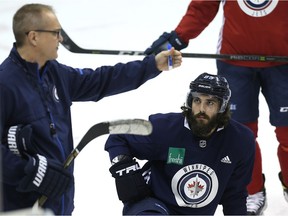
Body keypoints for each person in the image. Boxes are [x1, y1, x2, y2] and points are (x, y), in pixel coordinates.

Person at [0, 3, 182, 215]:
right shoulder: (5, 84)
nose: (60, 39)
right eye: (56, 33)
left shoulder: (54, 74)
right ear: (33, 37)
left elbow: (100, 80)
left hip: (59, 203)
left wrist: (151, 66)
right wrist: (30, 171)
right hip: (23, 206)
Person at [143, 1, 288, 214]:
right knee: (241, 134)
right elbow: (204, 5)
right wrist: (179, 37)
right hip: (235, 61)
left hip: (283, 61)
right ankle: (251, 192)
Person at [105, 72, 255, 215]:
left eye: (210, 102)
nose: (201, 109)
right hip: (152, 204)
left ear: (222, 107)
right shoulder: (164, 128)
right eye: (197, 100)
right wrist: (124, 169)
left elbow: (234, 195)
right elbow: (118, 137)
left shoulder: (240, 140)